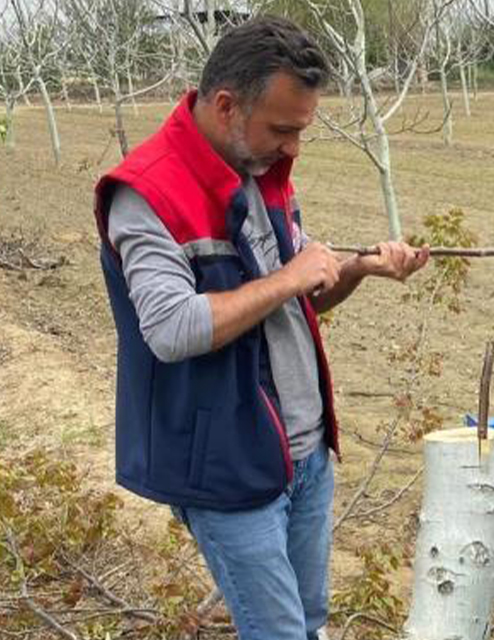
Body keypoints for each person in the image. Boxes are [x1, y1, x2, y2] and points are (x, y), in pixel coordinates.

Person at [93, 17, 428, 639]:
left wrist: (355, 269)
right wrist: (293, 276)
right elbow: (169, 329)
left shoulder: (261, 173)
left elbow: (294, 304)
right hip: (225, 466)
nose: (294, 147)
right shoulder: (146, 195)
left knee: (308, 623)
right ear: (225, 105)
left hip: (303, 454)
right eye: (283, 129)